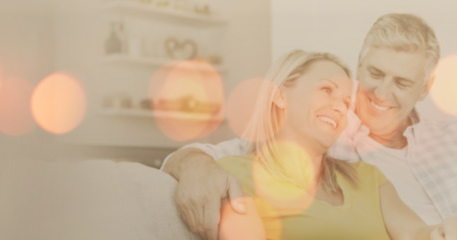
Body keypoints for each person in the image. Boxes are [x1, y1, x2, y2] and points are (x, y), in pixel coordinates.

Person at [162, 13, 457, 239]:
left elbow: (420, 232)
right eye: (375, 73)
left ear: (424, 89)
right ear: (360, 66)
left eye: (402, 82)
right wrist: (194, 166)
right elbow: (238, 153)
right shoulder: (327, 134)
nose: (381, 91)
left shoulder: (446, 139)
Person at [212, 49, 456, 239]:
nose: (340, 108)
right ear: (279, 94)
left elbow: (414, 233)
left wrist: (442, 232)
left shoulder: (369, 178)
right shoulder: (233, 175)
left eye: (346, 101)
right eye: (327, 89)